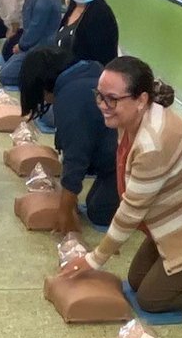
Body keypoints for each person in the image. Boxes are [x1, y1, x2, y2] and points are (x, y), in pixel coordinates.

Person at [60, 56, 182, 313]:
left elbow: (132, 210)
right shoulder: (132, 118)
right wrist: (111, 244)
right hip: (179, 221)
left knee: (151, 299)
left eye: (112, 98)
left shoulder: (152, 143)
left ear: (141, 99)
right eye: (99, 96)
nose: (103, 105)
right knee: (136, 281)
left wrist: (95, 258)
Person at [19, 46, 119, 233]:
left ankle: (153, 199)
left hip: (133, 160)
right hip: (114, 154)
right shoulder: (86, 71)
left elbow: (76, 157)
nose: (46, 103)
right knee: (92, 202)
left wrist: (64, 212)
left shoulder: (71, 98)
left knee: (100, 212)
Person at [0, 0, 64, 86]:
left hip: (41, 48)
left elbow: (36, 27)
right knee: (7, 63)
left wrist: (22, 45)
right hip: (35, 45)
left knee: (5, 75)